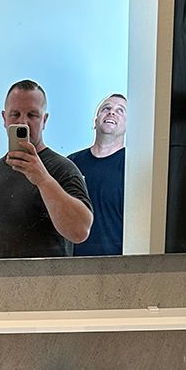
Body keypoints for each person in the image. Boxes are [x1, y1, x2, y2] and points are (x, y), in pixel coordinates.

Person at [0, 80, 93, 259]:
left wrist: (43, 180)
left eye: (32, 115)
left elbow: (80, 231)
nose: (22, 122)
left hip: (46, 286)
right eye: (14, 114)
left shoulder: (63, 169)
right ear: (4, 118)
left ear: (44, 120)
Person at [70, 94, 127, 257]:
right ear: (95, 121)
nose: (112, 113)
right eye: (106, 108)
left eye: (120, 111)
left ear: (128, 125)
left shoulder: (133, 166)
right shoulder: (71, 164)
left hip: (117, 265)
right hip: (72, 265)